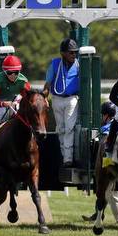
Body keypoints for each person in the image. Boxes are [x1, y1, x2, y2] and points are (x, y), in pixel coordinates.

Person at [82, 101, 118, 224]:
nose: (102, 118)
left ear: (107, 115)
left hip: (111, 164)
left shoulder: (107, 129)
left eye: (103, 115)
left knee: (113, 195)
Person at [44, 38, 80, 168]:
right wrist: (44, 99)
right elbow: (48, 83)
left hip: (71, 99)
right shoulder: (55, 64)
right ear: (63, 53)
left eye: (75, 52)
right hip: (57, 99)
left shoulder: (79, 64)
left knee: (69, 128)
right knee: (61, 129)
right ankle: (63, 156)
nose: (73, 55)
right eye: (70, 53)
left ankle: (68, 159)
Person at [0, 55, 31, 132]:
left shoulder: (23, 81)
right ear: (4, 71)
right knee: (0, 115)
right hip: (1, 103)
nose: (13, 75)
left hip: (16, 103)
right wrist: (4, 103)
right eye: (10, 72)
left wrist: (18, 101)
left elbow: (28, 100)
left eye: (16, 72)